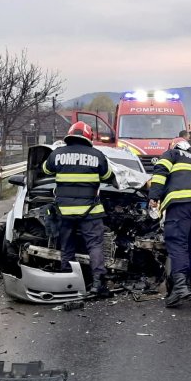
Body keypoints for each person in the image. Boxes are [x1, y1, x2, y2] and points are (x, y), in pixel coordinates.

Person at [42, 121, 114, 297]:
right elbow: (108, 175)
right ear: (88, 137)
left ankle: (68, 280)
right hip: (90, 212)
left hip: (65, 212)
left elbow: (45, 170)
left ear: (69, 135)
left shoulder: (57, 154)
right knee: (95, 246)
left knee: (67, 246)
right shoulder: (97, 155)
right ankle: (98, 284)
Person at [148, 137, 191, 307]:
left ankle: (180, 288)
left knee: (177, 243)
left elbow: (160, 172)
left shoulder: (172, 153)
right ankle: (186, 286)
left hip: (180, 203)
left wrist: (154, 196)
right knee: (189, 246)